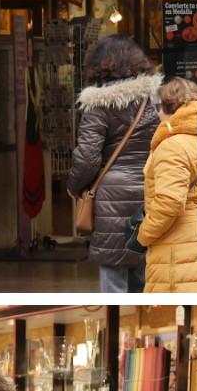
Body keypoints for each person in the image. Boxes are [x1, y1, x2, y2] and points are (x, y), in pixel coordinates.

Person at [66, 35, 161, 293]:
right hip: (149, 193)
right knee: (144, 276)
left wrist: (74, 186)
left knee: (113, 282)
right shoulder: (153, 102)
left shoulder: (98, 105)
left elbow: (87, 157)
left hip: (111, 200)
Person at [136, 77, 197, 292]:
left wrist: (144, 234)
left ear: (167, 107)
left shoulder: (172, 145)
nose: (156, 113)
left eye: (157, 107)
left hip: (177, 257)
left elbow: (169, 203)